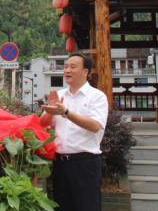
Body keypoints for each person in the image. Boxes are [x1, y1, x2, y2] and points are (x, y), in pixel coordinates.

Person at [39, 54, 109, 211]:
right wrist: (51, 110)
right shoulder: (60, 95)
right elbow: (43, 123)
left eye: (72, 67)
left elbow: (95, 126)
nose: (67, 70)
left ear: (85, 72)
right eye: (65, 67)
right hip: (60, 164)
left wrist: (66, 112)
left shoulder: (96, 96)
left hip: (85, 163)